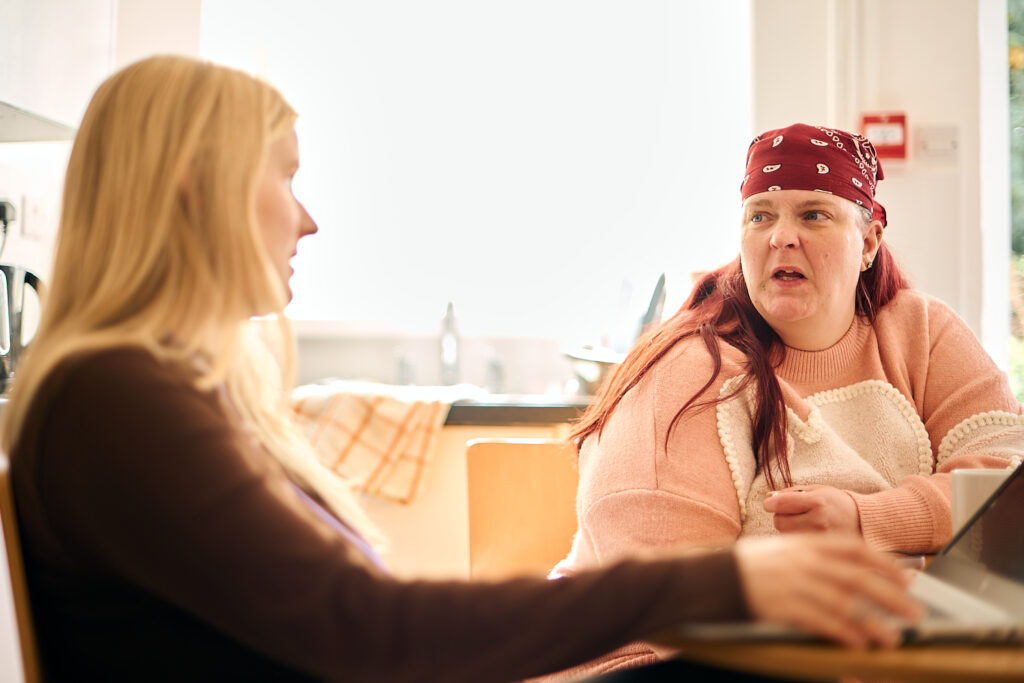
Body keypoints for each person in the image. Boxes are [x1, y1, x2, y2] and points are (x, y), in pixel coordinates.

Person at [0, 59, 921, 682]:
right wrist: (724, 582)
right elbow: (368, 629)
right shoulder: (115, 401)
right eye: (283, 177)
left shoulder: (139, 395)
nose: (307, 218)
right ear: (190, 186)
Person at [546, 122, 1024, 674]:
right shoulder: (687, 369)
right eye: (761, 216)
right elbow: (671, 600)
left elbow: (1006, 490)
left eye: (813, 214)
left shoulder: (924, 332)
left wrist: (865, 519)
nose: (781, 236)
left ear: (868, 242)